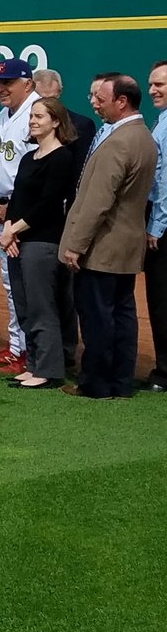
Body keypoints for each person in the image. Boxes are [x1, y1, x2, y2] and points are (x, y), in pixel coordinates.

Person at [60, 73, 158, 399]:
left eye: (101, 99)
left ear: (122, 101)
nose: (94, 104)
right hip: (127, 244)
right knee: (123, 314)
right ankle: (120, 382)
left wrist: (76, 244)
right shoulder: (144, 136)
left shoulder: (119, 140)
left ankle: (95, 384)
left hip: (103, 246)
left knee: (97, 316)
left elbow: (98, 202)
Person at [0, 98, 77, 389]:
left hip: (43, 243)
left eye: (39, 116)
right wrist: (9, 229)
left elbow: (49, 204)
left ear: (56, 122)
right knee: (24, 306)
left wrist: (13, 230)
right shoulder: (27, 158)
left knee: (42, 306)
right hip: (18, 241)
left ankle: (49, 370)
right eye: (31, 116)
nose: (33, 121)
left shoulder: (62, 157)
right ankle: (33, 365)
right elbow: (17, 197)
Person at [0, 58, 40, 368]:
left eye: (8, 82)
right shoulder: (0, 118)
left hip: (24, 213)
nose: (1, 88)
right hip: (2, 208)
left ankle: (31, 350)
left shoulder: (35, 115)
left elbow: (38, 171)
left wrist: (12, 209)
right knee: (10, 280)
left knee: (27, 282)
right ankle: (17, 345)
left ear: (28, 84)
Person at [143, 60, 167, 393]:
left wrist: (156, 226)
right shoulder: (161, 121)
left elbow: (163, 181)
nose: (152, 90)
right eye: (150, 84)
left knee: (162, 298)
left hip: (163, 221)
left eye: (160, 84)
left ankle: (164, 373)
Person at [33, 68, 96, 190]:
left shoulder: (81, 125)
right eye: (41, 99)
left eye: (52, 99)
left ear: (59, 92)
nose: (47, 104)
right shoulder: (23, 123)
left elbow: (80, 173)